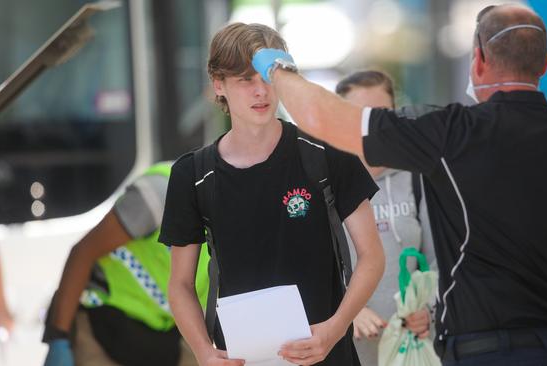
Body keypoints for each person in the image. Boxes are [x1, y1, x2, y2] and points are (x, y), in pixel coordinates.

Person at [251, 4, 547, 365]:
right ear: (544, 63)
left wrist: (276, 68)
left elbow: (325, 119)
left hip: (482, 352)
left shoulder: (449, 133)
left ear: (477, 60)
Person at [158, 23, 384, 366]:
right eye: (245, 80)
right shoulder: (193, 175)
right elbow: (180, 285)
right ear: (219, 85)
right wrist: (204, 352)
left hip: (327, 355)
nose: (260, 91)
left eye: (268, 78)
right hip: (243, 359)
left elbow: (372, 257)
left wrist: (335, 328)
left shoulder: (326, 154)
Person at [42, 162, 211, 366]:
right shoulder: (162, 194)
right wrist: (59, 338)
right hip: (99, 326)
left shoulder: (234, 233)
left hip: (156, 339)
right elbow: (83, 253)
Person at [335, 70, 438, 365]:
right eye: (360, 114)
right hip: (350, 351)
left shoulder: (418, 179)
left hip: (410, 350)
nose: (371, 125)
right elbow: (311, 267)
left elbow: (438, 260)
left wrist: (428, 310)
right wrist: (348, 311)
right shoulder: (328, 183)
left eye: (380, 114)